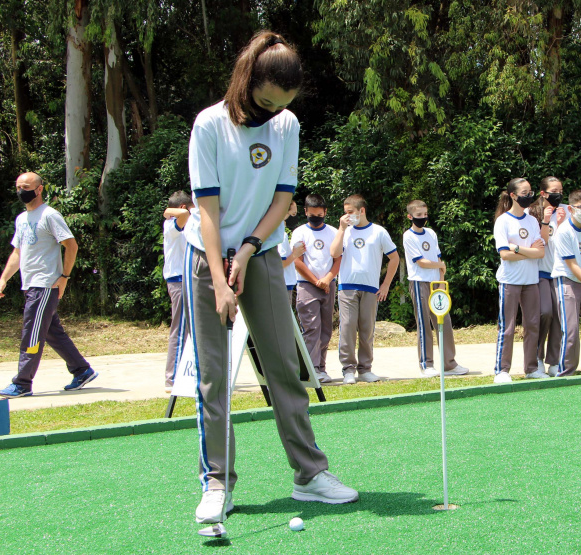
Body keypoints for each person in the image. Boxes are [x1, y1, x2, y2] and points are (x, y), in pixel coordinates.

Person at [184, 31, 358, 525]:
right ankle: (217, 481)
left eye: (280, 105)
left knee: (284, 364)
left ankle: (309, 475)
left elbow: (282, 199)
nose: (270, 114)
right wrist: (220, 279)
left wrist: (250, 249)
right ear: (247, 81)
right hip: (206, 258)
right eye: (263, 103)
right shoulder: (210, 125)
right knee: (215, 377)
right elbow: (209, 212)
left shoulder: (286, 125)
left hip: (260, 253)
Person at [0, 172, 98, 398]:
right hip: (31, 284)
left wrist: (64, 276)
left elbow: (71, 245)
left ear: (39, 188)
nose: (21, 191)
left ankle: (22, 383)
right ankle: (82, 370)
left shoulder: (50, 215)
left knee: (31, 333)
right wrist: (3, 278)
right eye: (18, 187)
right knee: (52, 333)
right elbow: (17, 252)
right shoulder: (22, 219)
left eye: (26, 186)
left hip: (44, 285)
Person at [329, 194, 399, 385]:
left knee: (367, 329)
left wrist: (385, 284)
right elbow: (334, 253)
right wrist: (341, 229)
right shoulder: (345, 231)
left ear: (362, 211)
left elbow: (394, 258)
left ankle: (365, 369)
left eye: (350, 212)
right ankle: (348, 369)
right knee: (348, 327)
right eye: (345, 213)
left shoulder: (378, 232)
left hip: (370, 287)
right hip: (347, 286)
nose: (347, 216)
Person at [402, 200, 469, 377]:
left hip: (436, 284)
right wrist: (439, 265)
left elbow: (440, 263)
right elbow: (422, 262)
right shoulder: (408, 236)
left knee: (444, 322)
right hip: (419, 283)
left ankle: (449, 364)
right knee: (424, 324)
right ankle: (426, 364)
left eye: (425, 215)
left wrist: (441, 281)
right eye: (418, 216)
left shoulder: (431, 233)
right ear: (410, 217)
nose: (423, 218)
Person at [493, 178, 546, 383]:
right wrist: (528, 252)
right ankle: (502, 370)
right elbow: (504, 255)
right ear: (513, 196)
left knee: (532, 324)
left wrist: (517, 248)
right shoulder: (503, 221)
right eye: (524, 193)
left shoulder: (532, 220)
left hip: (531, 280)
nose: (529, 196)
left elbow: (540, 252)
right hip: (509, 281)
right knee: (507, 326)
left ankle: (531, 368)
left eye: (530, 192)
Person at [291, 194, 340, 384]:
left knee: (326, 328)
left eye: (319, 215)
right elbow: (297, 261)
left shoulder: (334, 232)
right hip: (306, 285)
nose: (316, 218)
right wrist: (315, 281)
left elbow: (338, 259)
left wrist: (327, 279)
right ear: (305, 212)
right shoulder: (299, 233)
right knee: (311, 327)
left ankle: (321, 367)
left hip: (328, 284)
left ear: (325, 212)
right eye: (312, 215)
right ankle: (309, 368)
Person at [551, 189, 581, 376]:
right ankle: (566, 372)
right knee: (571, 330)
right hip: (567, 281)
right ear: (571, 209)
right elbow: (572, 265)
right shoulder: (563, 231)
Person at [533, 177, 567, 375]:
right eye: (554, 190)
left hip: (560, 271)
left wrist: (561, 223)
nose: (558, 194)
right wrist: (546, 220)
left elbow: (564, 240)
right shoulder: (533, 212)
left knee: (560, 316)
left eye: (560, 190)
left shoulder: (566, 211)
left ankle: (554, 361)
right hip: (541, 271)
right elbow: (540, 242)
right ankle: (537, 357)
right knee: (545, 312)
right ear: (543, 193)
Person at [162, 191, 193, 392]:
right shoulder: (171, 224)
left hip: (188, 280)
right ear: (183, 208)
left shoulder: (185, 224)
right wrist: (168, 211)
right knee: (180, 330)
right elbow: (181, 215)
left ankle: (184, 372)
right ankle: (172, 378)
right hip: (178, 281)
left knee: (190, 329)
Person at [277, 201, 306, 303]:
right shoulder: (280, 235)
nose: (294, 218)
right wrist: (295, 254)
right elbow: (281, 263)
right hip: (283, 284)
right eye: (293, 214)